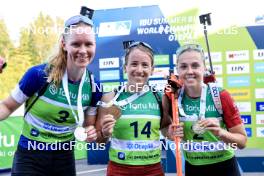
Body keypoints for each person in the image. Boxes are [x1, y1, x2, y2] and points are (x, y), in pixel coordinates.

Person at [0, 7, 102, 176]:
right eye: (76, 44)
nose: (83, 50)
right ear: (64, 44)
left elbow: (88, 126)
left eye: (88, 44)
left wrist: (92, 132)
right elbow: (7, 106)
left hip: (64, 157)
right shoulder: (39, 75)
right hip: (30, 156)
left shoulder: (94, 85)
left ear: (94, 45)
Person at [164, 44, 247, 176]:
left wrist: (221, 132)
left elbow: (242, 142)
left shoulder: (220, 96)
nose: (190, 71)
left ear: (204, 68)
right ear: (177, 70)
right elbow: (165, 129)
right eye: (184, 66)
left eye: (195, 65)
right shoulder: (173, 97)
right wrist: (170, 134)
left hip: (225, 167)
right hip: (193, 168)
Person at [96, 41, 171, 176]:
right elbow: (99, 140)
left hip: (153, 169)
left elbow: (166, 130)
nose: (139, 70)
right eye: (134, 64)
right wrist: (105, 133)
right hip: (119, 169)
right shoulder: (109, 98)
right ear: (125, 67)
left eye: (145, 65)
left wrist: (173, 132)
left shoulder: (161, 98)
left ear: (152, 69)